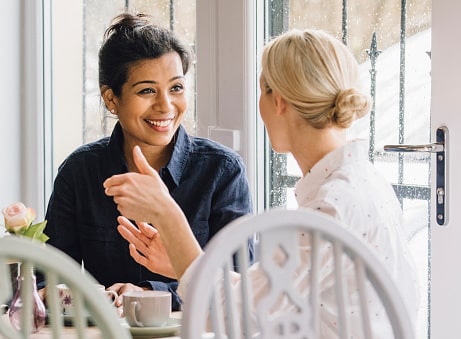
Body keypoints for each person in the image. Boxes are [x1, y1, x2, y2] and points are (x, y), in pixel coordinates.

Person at [104, 29, 420, 336]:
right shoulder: (360, 185)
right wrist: (179, 261)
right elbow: (267, 299)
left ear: (278, 101)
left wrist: (166, 213)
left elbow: (233, 317)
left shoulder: (330, 208)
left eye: (261, 91)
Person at [40, 12, 253, 312]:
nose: (165, 105)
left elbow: (242, 286)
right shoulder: (79, 172)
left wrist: (146, 293)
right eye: (147, 90)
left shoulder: (223, 172)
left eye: (176, 88)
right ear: (111, 99)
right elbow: (48, 278)